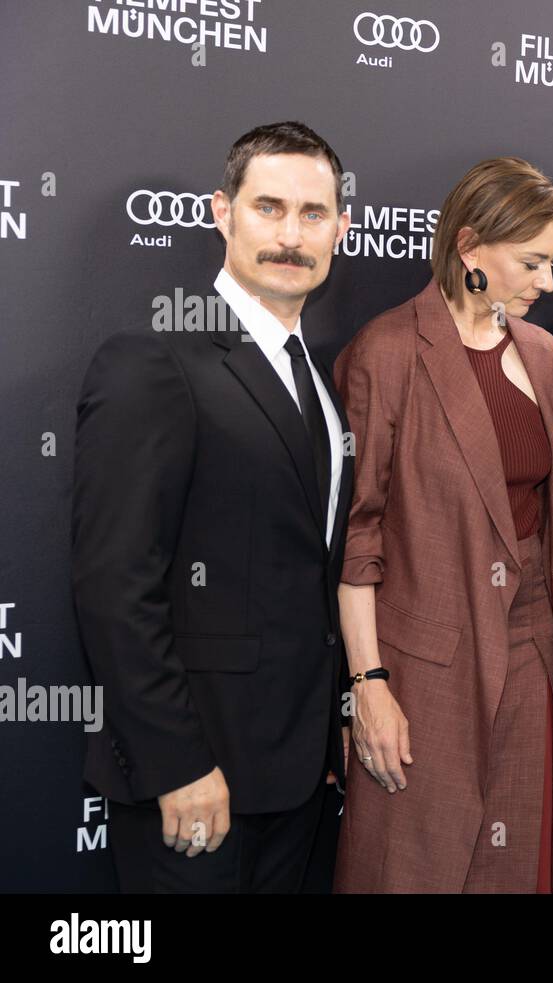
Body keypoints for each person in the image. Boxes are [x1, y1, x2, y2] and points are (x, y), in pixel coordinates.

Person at [72, 121, 354, 892]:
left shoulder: (320, 382)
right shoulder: (155, 360)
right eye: (268, 207)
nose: (291, 235)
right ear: (221, 212)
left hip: (295, 779)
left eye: (313, 213)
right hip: (196, 783)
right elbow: (113, 585)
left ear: (342, 228)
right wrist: (179, 763)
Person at [332, 157, 553, 893]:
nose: (549, 282)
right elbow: (358, 536)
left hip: (527, 652)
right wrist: (368, 682)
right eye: (532, 261)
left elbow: (540, 523)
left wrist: (552, 653)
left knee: (511, 867)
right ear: (470, 249)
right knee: (411, 868)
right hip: (421, 668)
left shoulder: (541, 352)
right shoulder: (389, 351)